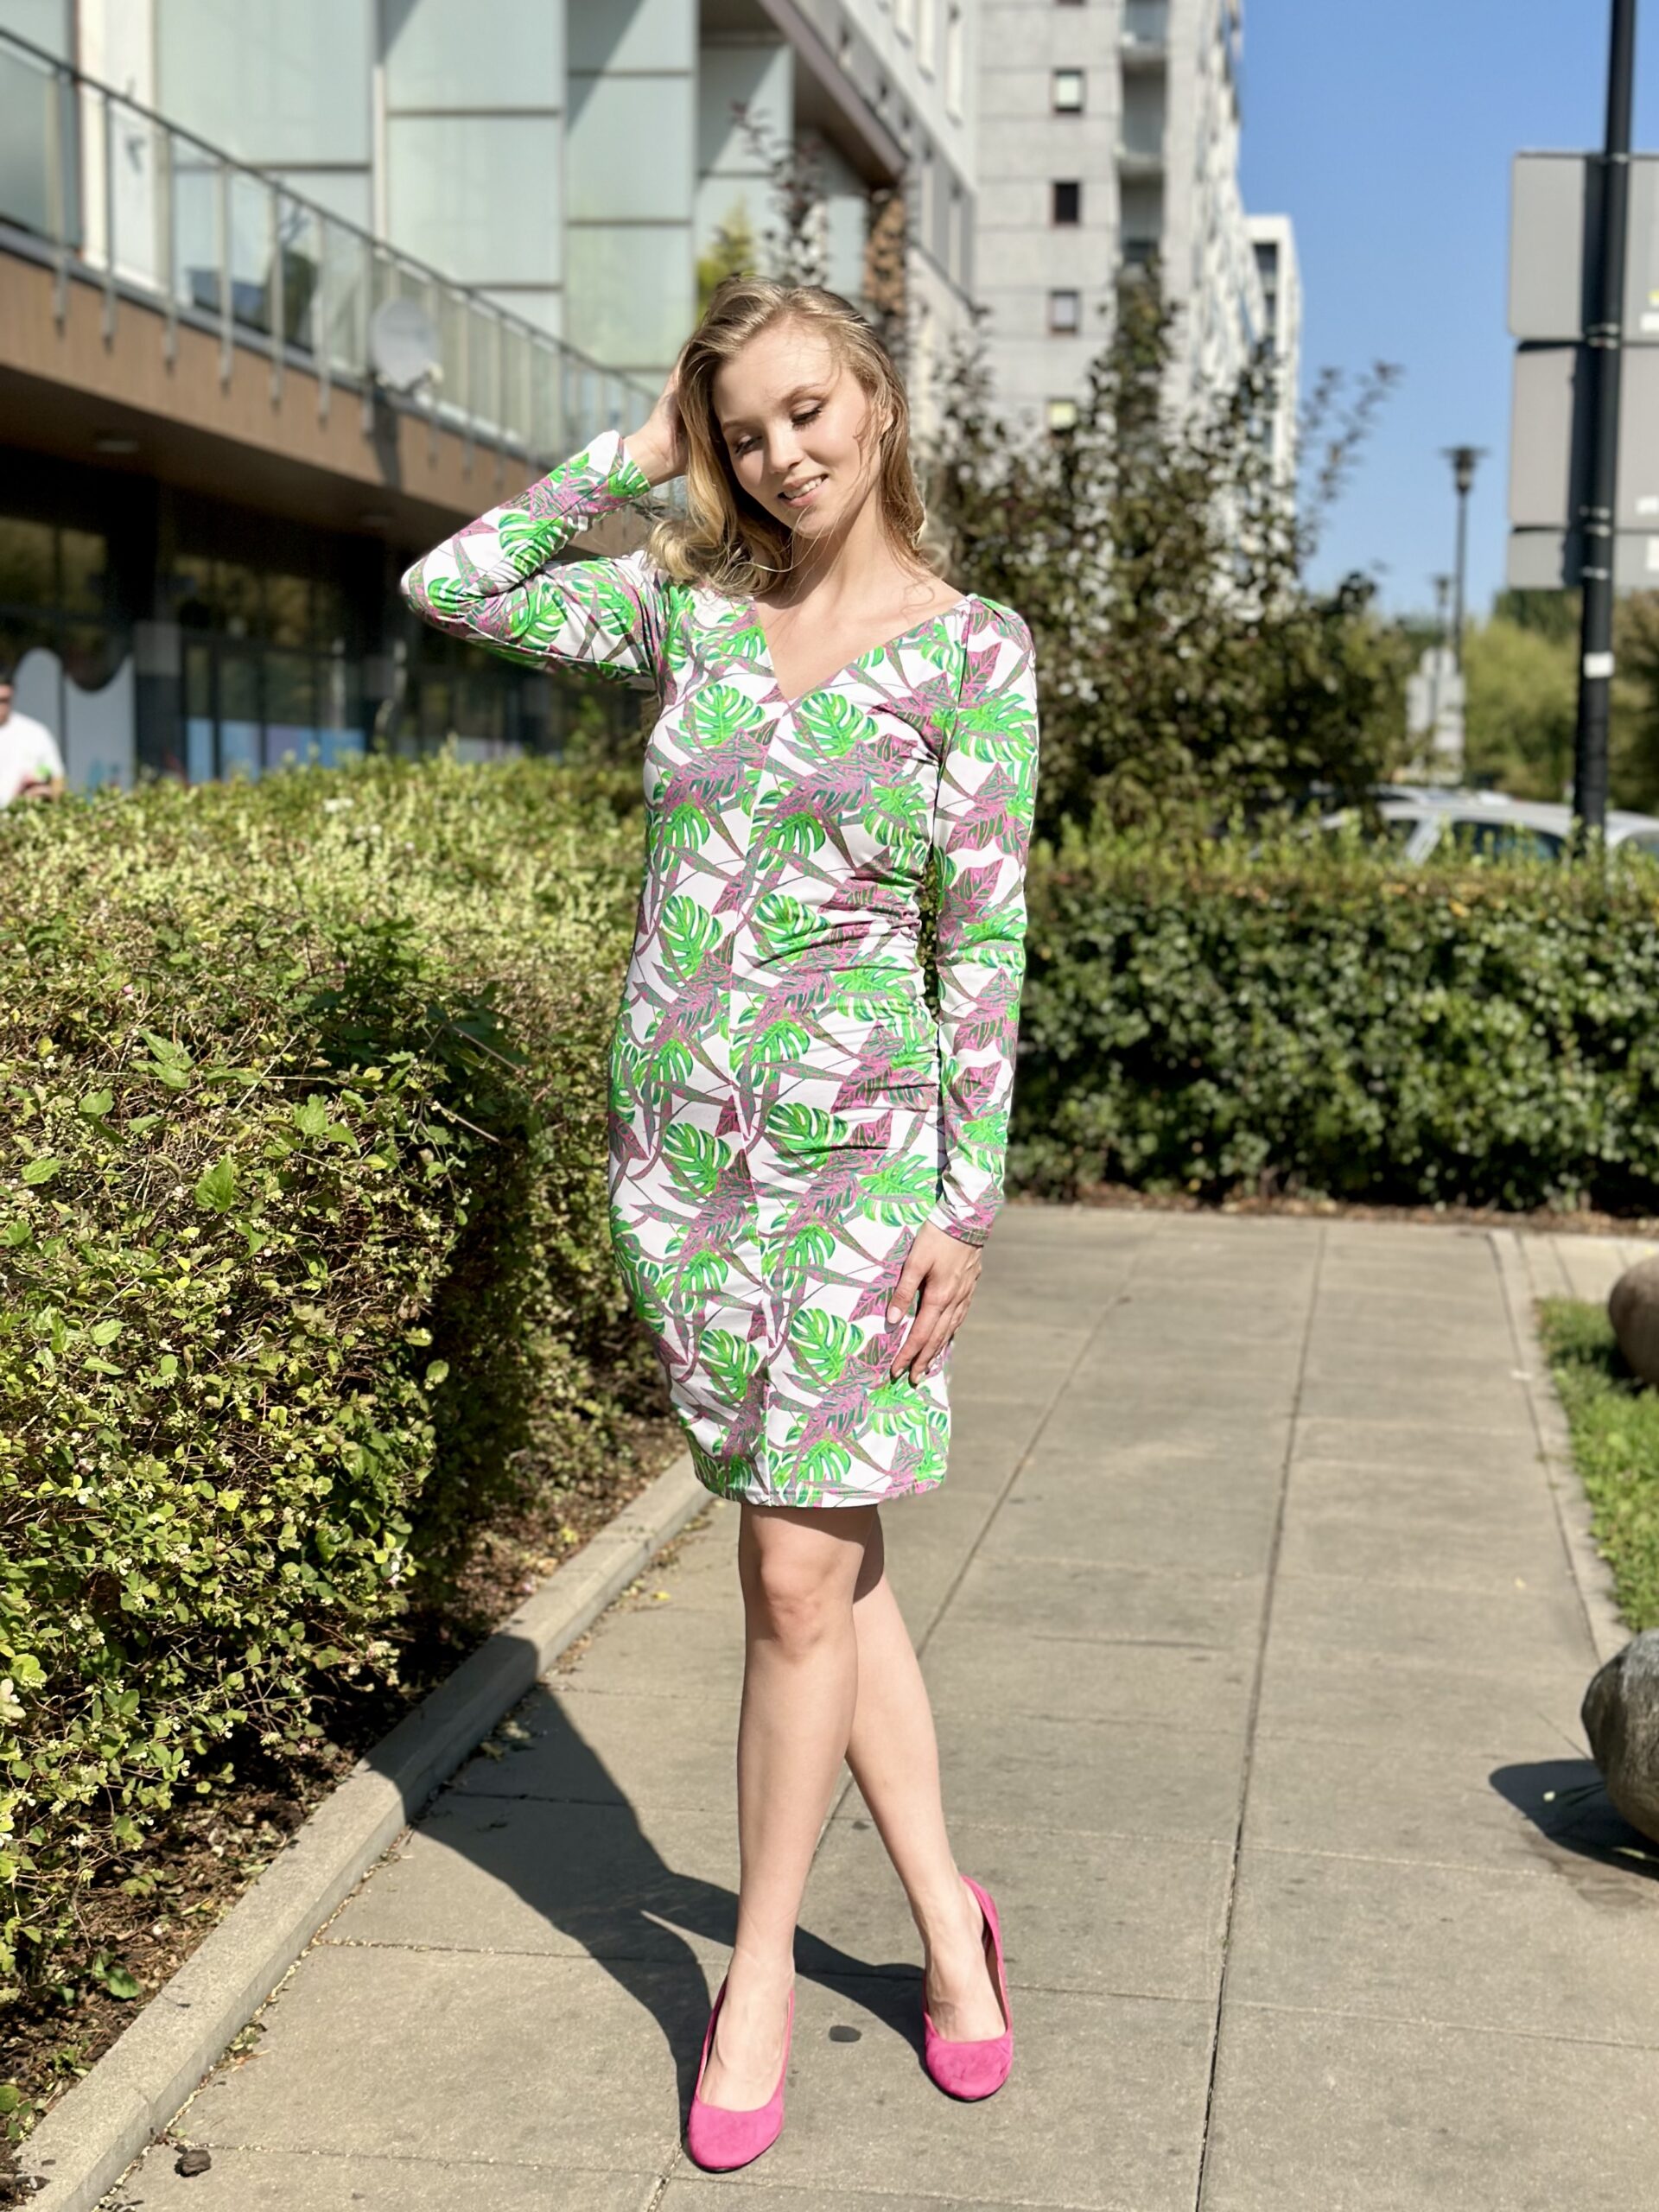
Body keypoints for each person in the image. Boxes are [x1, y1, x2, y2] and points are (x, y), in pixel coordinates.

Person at [402, 275, 1038, 2171]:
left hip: (864, 1173)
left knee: (785, 1575)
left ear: (878, 401)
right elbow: (459, 582)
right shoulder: (688, 613)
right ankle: (951, 1926)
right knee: (827, 1568)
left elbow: (982, 939)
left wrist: (966, 1205)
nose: (782, 455)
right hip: (682, 1167)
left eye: (806, 411)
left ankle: (752, 1974)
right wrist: (635, 456)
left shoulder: (973, 652)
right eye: (744, 430)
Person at [0, 668, 67, 806]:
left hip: (24, 815)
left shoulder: (35, 734)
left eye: (4, 700)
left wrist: (44, 793)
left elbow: (57, 779)